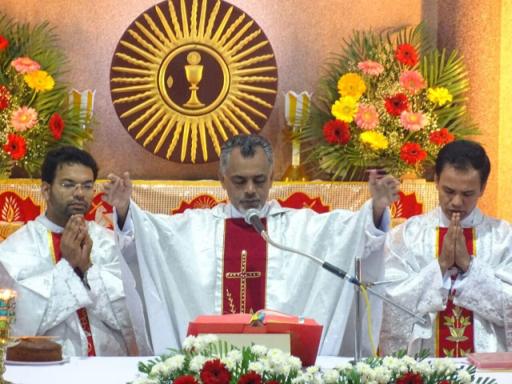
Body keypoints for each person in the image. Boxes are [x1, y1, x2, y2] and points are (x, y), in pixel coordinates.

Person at [106, 134, 400, 356]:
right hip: (214, 364)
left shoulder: (301, 228)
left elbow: (352, 235)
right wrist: (124, 211)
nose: (250, 190)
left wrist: (375, 209)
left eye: (259, 180)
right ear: (222, 179)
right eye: (239, 181)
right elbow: (146, 239)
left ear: (272, 177)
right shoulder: (194, 229)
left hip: (282, 362)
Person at [0, 146, 137, 357]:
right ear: (46, 190)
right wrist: (67, 266)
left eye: (87, 185)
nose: (79, 193)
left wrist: (88, 268)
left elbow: (131, 314)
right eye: (68, 184)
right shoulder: (18, 247)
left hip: (109, 366)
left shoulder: (106, 242)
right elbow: (21, 320)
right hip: (48, 368)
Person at [380, 140, 512, 356]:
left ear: (483, 188)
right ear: (436, 180)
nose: (457, 202)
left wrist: (469, 266)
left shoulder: (504, 238)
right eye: (449, 191)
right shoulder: (409, 235)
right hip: (425, 364)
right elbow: (389, 302)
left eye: (467, 194)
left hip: (487, 369)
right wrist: (439, 267)